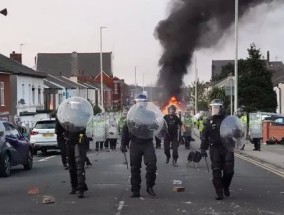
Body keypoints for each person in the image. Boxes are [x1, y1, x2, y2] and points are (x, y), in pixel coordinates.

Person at [120, 94, 157, 198]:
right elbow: (126, 129)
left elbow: (155, 126)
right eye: (139, 102)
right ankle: (135, 190)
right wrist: (123, 143)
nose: (141, 104)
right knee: (135, 167)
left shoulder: (151, 114)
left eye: (143, 102)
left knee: (152, 165)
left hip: (147, 142)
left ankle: (150, 186)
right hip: (135, 143)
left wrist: (155, 127)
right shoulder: (131, 115)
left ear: (146, 103)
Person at [200, 99, 234, 200]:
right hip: (214, 148)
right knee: (216, 171)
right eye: (213, 107)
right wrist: (203, 148)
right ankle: (219, 192)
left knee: (229, 171)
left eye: (216, 107)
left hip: (227, 147)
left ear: (221, 108)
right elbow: (204, 135)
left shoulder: (228, 119)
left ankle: (225, 186)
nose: (214, 109)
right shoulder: (207, 121)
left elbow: (235, 131)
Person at [64, 128, 89, 198]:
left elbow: (82, 132)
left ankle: (81, 189)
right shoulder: (67, 121)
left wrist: (80, 142)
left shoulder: (80, 120)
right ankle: (74, 186)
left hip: (79, 143)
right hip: (70, 143)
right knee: (72, 167)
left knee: (80, 167)